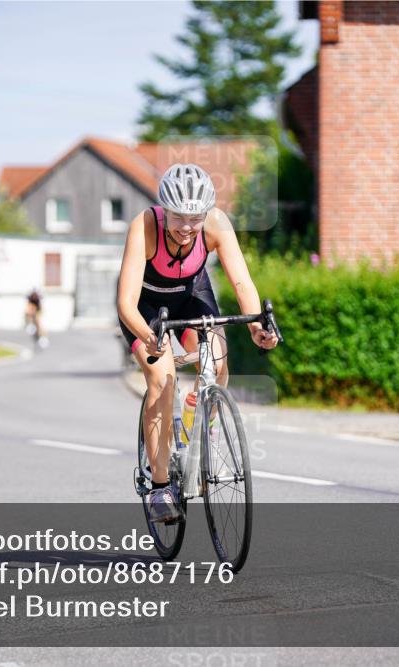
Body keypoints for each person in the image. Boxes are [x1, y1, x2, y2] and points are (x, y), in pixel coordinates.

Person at [116, 163, 278, 523]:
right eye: (179, 218)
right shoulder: (144, 227)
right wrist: (149, 339)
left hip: (192, 295)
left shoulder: (217, 224)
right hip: (146, 307)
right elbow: (126, 302)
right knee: (163, 380)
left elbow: (242, 283)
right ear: (165, 211)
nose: (188, 227)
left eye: (196, 218)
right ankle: (160, 487)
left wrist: (255, 328)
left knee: (218, 363)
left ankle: (203, 437)